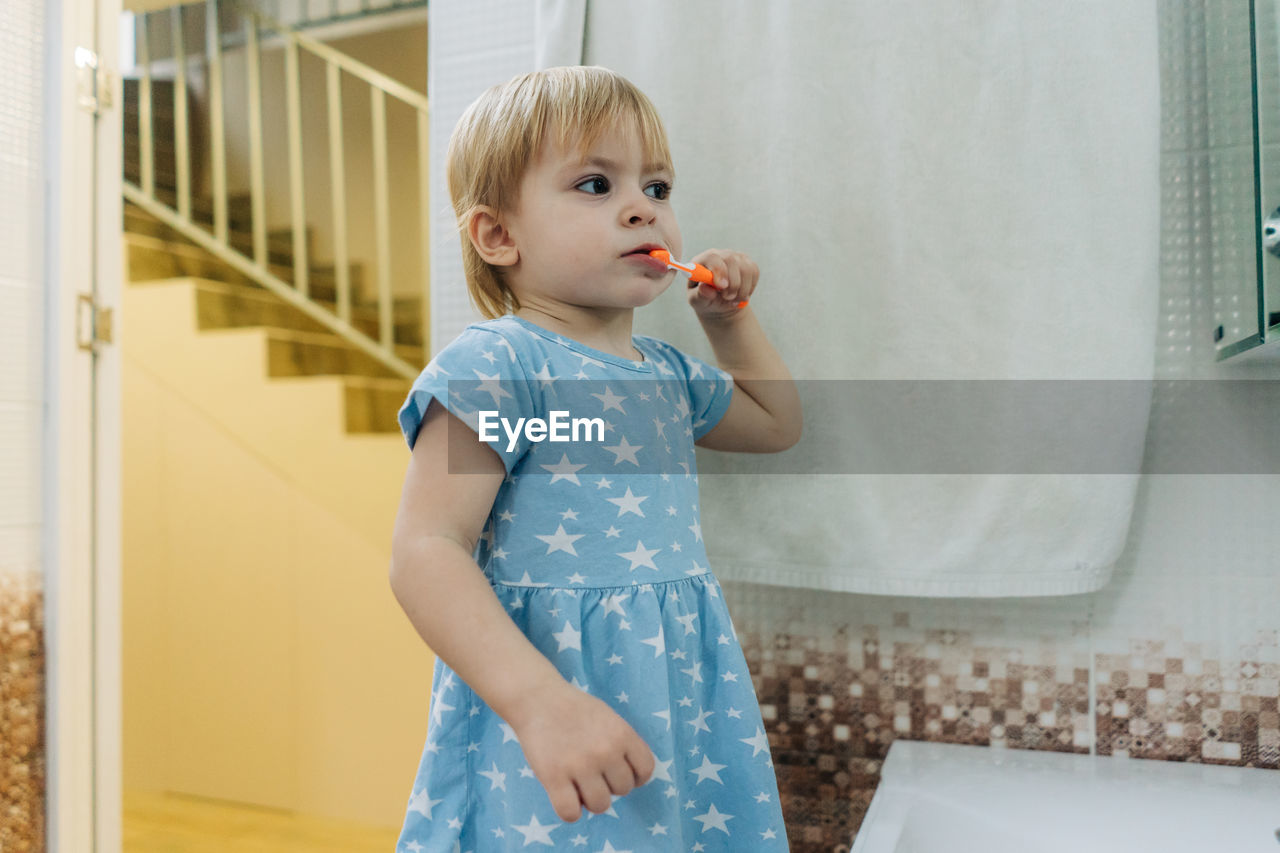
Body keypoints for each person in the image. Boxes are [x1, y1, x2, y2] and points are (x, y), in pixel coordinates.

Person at [389, 64, 801, 852]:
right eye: (594, 185)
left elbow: (775, 422)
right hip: (552, 708)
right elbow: (423, 551)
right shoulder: (495, 366)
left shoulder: (669, 376)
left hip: (677, 698)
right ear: (498, 236)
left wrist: (728, 324)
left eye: (658, 185)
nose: (642, 206)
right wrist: (541, 703)